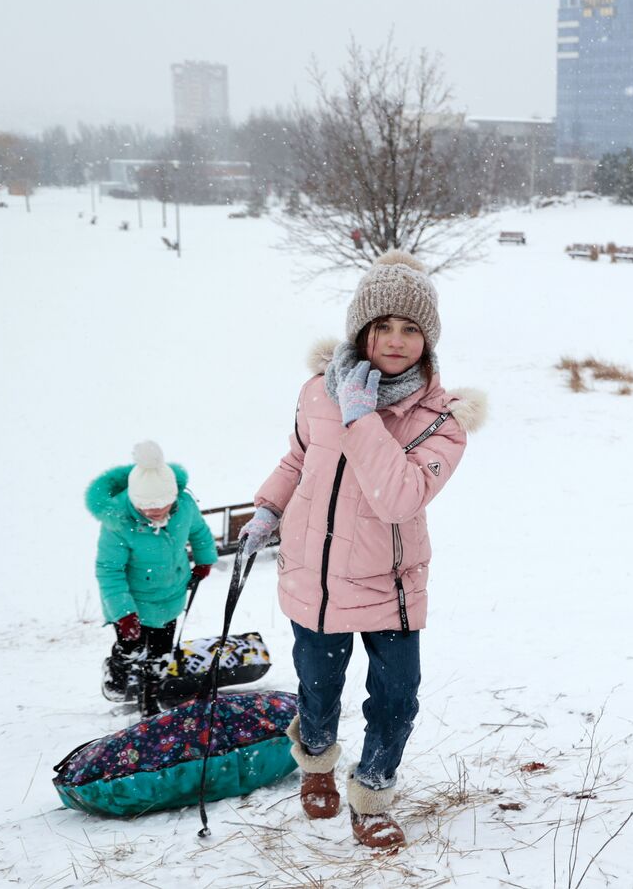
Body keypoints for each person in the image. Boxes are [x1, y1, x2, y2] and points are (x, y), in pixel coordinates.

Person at [237, 249, 485, 850]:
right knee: (317, 693)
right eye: (383, 327)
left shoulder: (441, 422)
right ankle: (317, 763)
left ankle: (372, 793)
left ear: (428, 341)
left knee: (396, 701)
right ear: (361, 330)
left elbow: (399, 498)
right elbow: (299, 457)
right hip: (315, 579)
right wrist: (268, 507)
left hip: (389, 585)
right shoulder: (316, 392)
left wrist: (363, 417)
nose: (396, 341)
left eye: (411, 330)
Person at [87, 441, 217, 715]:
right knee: (131, 648)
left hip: (170, 595)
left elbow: (200, 531)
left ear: (174, 496)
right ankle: (118, 667)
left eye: (162, 504)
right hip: (132, 602)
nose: (155, 511)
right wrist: (124, 614)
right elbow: (109, 571)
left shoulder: (184, 506)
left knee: (160, 656)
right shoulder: (118, 522)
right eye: (146, 506)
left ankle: (150, 700)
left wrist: (205, 560)